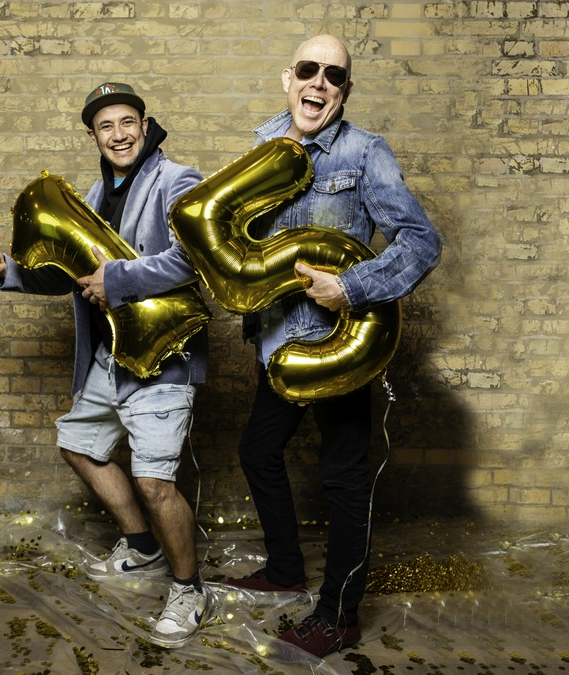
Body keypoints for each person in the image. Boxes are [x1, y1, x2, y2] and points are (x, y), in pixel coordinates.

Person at [221, 35, 442, 658]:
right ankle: (286, 569)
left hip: (340, 346)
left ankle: (340, 617)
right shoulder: (266, 142)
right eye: (309, 70)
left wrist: (352, 287)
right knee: (258, 451)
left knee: (344, 479)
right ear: (287, 77)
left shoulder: (366, 152)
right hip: (278, 345)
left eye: (335, 76)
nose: (319, 83)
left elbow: (421, 241)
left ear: (345, 90)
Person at [0, 82, 209, 649]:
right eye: (106, 127)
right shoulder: (88, 193)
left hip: (160, 357)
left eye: (127, 122)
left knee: (156, 483)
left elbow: (192, 257)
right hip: (108, 358)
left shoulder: (177, 181)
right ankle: (143, 546)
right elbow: (66, 276)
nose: (119, 134)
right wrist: (7, 269)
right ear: (93, 136)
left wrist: (120, 279)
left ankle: (189, 590)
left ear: (144, 123)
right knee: (77, 445)